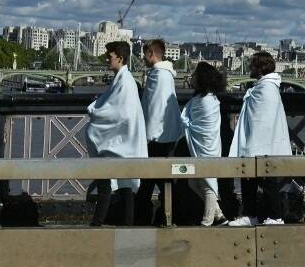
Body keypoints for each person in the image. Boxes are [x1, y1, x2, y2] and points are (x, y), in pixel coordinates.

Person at [87, 41, 148, 227]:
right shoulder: (123, 79)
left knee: (110, 185)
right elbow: (115, 105)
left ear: (120, 58)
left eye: (110, 56)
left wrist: (95, 109)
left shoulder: (125, 82)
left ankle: (97, 225)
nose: (107, 59)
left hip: (119, 144)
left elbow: (121, 112)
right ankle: (125, 226)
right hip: (122, 143)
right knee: (124, 187)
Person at [228, 52, 291, 226]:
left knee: (266, 179)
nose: (249, 68)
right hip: (259, 145)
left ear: (259, 68)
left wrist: (251, 147)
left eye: (252, 65)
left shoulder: (266, 89)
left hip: (260, 146)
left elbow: (261, 123)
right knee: (251, 179)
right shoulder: (265, 87)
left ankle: (276, 216)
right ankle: (251, 214)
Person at [135, 38, 183, 226]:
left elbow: (153, 108)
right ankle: (164, 215)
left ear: (151, 54)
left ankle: (145, 216)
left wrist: (147, 135)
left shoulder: (158, 75)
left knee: (151, 179)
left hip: (156, 136)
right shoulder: (166, 74)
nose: (143, 59)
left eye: (144, 54)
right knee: (163, 180)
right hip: (168, 134)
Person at [181, 62, 228, 226]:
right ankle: (219, 215)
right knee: (193, 182)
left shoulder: (204, 101)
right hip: (205, 145)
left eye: (194, 75)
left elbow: (191, 121)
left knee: (207, 183)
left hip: (206, 147)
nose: (191, 77)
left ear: (201, 79)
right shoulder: (208, 99)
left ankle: (207, 222)